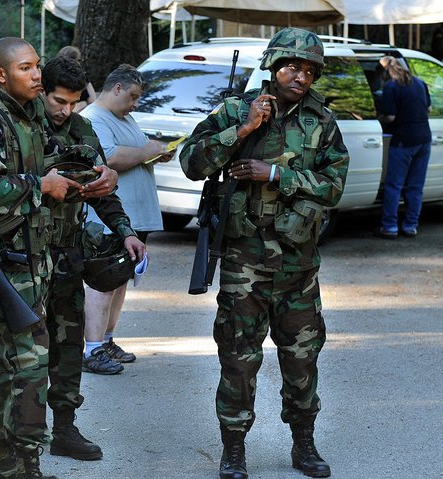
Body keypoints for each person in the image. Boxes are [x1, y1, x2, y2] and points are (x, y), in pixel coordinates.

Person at [179, 28, 349, 479]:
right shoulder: (237, 109)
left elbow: (334, 186)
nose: (301, 76)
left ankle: (304, 444)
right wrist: (244, 128)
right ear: (273, 65)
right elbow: (192, 163)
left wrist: (275, 173)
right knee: (238, 358)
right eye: (293, 66)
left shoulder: (322, 121)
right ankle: (233, 449)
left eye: (310, 70)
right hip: (244, 263)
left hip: (298, 265)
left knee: (302, 358)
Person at [0, 37, 79, 479]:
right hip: (9, 262)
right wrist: (42, 187)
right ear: (0, 74)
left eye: (37, 67)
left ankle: (14, 464)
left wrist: (86, 169)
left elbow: (47, 158)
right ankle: (14, 463)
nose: (37, 75)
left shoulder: (26, 113)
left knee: (14, 366)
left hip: (36, 260)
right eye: (26, 68)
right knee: (25, 367)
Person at [40, 55, 146, 460]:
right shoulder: (22, 127)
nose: (66, 111)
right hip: (24, 257)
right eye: (58, 102)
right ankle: (22, 439)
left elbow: (103, 186)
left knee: (68, 347)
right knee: (25, 354)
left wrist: (127, 232)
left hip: (68, 253)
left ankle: (64, 430)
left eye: (73, 102)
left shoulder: (81, 127)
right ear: (42, 92)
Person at [80, 64, 172, 374]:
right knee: (103, 283)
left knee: (119, 282)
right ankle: (92, 348)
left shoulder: (124, 118)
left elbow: (135, 152)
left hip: (131, 221)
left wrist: (156, 152)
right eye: (131, 97)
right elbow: (109, 157)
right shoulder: (93, 118)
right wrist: (148, 150)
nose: (134, 104)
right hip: (110, 219)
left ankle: (106, 340)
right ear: (116, 88)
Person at [374, 55, 432, 240]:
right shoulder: (419, 82)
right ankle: (410, 226)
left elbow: (390, 117)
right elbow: (429, 109)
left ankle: (390, 227)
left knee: (394, 185)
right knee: (415, 187)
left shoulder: (391, 87)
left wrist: (379, 118)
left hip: (403, 141)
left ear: (385, 71)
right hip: (424, 139)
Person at [55, 46, 96, 112]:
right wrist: (83, 104)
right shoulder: (56, 81)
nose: (79, 63)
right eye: (78, 60)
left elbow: (93, 104)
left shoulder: (84, 79)